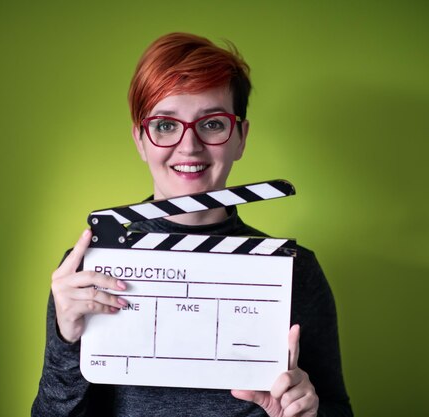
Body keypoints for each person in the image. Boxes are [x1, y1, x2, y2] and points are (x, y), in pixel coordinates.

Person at [32, 32, 353, 417]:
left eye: (212, 124)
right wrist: (65, 342)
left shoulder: (294, 268)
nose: (189, 146)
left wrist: (308, 412)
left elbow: (337, 408)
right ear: (140, 138)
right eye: (165, 125)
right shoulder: (88, 270)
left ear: (239, 137)